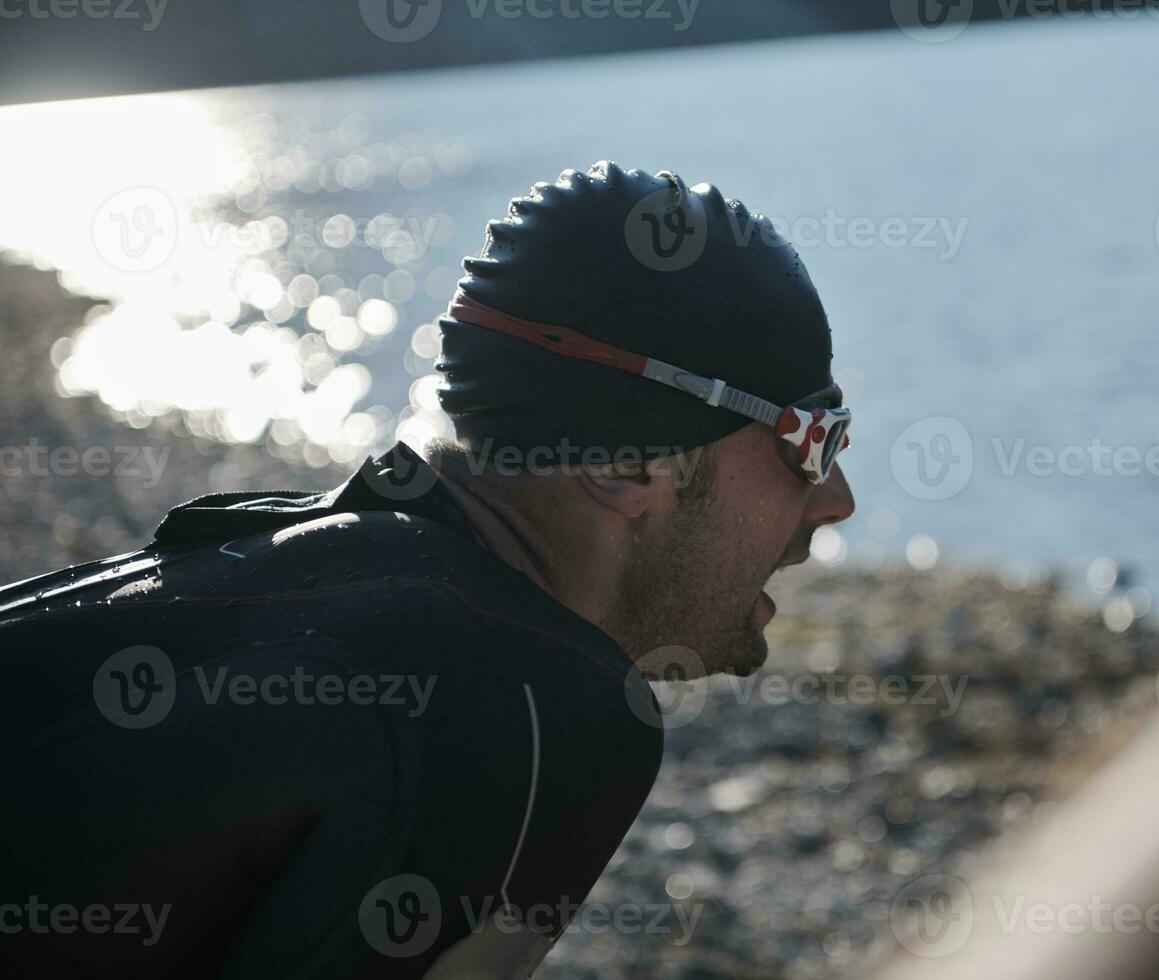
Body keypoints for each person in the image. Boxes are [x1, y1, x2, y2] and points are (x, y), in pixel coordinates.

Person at [0, 161, 855, 979]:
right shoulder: (534, 704)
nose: (837, 499)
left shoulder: (280, 558)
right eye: (810, 442)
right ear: (629, 463)